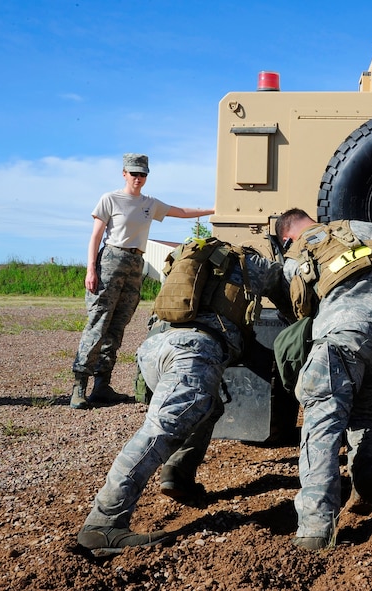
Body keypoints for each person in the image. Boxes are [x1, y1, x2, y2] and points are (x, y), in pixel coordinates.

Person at [76, 238, 292, 556]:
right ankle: (103, 524)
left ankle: (179, 474)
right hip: (193, 352)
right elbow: (290, 298)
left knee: (210, 406)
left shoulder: (191, 257)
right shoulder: (254, 265)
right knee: (160, 430)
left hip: (154, 348)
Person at [275, 208, 372, 551]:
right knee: (365, 415)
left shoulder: (302, 246)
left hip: (342, 336)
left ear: (288, 236)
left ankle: (315, 528)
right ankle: (367, 486)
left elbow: (299, 302)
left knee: (321, 424)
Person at [70, 153, 216, 410]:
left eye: (143, 174)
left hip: (136, 263)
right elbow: (95, 237)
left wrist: (215, 209)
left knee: (117, 326)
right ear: (124, 173)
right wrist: (91, 270)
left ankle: (101, 386)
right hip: (111, 261)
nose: (138, 179)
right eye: (134, 173)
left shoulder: (149, 203)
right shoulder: (110, 199)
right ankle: (79, 386)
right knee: (98, 323)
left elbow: (180, 212)